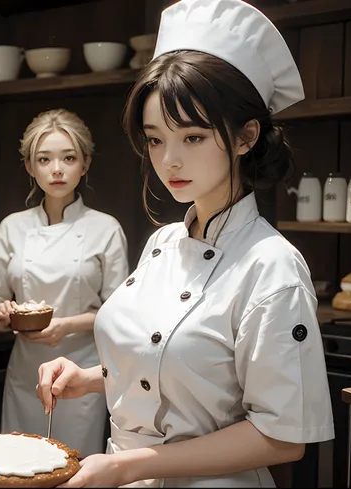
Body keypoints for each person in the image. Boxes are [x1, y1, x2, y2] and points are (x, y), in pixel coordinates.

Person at [36, 1, 335, 486]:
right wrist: (90, 377)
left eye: (192, 138)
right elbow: (181, 368)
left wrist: (127, 464)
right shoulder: (162, 244)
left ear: (246, 137)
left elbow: (283, 437)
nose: (169, 161)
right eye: (155, 140)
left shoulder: (272, 267)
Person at [0, 109, 129, 457]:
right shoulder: (13, 226)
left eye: (68, 158)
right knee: (17, 466)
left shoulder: (105, 229)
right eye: (44, 159)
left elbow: (119, 313)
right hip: (25, 370)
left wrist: (66, 326)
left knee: (72, 465)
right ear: (30, 166)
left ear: (85, 164)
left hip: (82, 373)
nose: (57, 169)